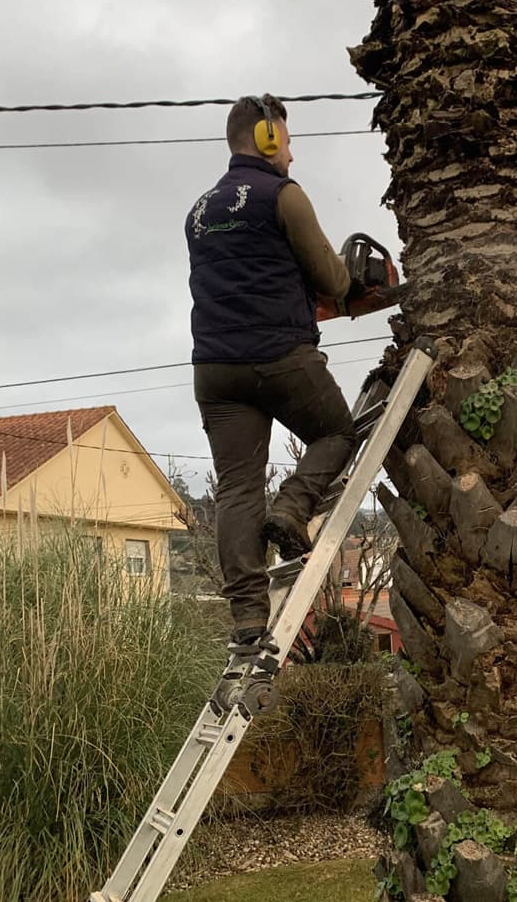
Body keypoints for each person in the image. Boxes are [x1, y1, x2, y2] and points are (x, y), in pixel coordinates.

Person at [186, 93, 357, 647]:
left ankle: (247, 620)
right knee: (336, 431)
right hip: (279, 356)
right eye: (287, 139)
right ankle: (291, 507)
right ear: (267, 139)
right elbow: (331, 279)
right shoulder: (284, 196)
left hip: (214, 368)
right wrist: (346, 284)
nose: (291, 152)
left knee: (236, 487)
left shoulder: (197, 211)